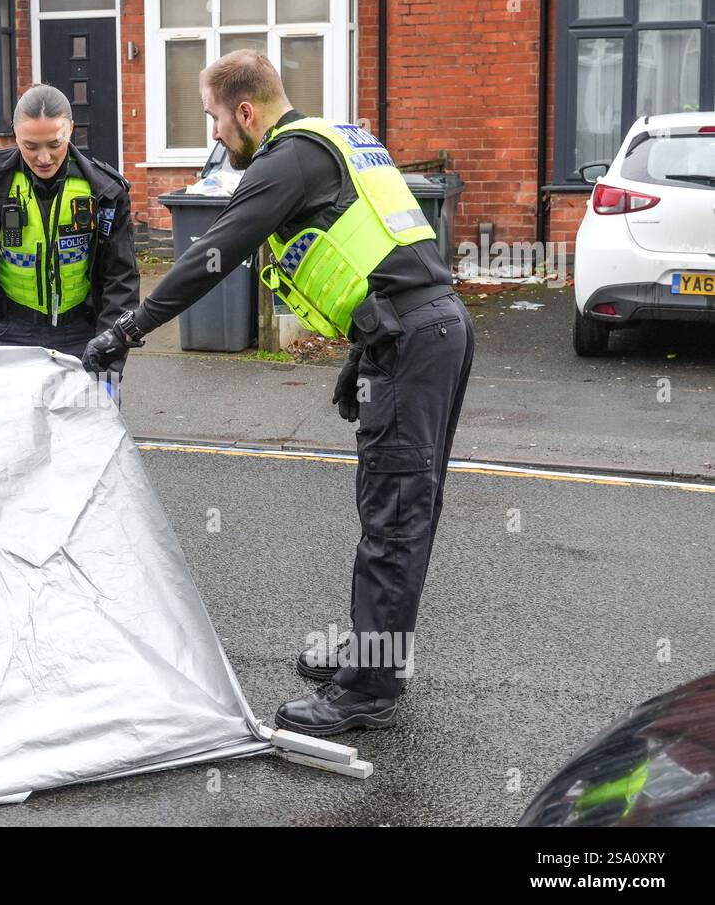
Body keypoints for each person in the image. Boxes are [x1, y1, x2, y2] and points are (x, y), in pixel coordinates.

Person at [83, 49, 474, 736]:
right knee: (393, 506)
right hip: (416, 330)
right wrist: (365, 349)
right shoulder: (332, 142)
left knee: (394, 515)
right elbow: (384, 252)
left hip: (413, 341)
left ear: (244, 111)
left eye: (212, 118)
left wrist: (130, 326)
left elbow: (214, 252)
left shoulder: (286, 159)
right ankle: (373, 654)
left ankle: (368, 690)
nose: (211, 134)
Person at [0, 84, 140, 391]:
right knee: (12, 436)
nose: (44, 157)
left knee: (84, 435)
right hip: (10, 335)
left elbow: (121, 280)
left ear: (70, 130)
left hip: (84, 338)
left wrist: (110, 360)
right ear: (15, 135)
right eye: (30, 146)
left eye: (54, 143)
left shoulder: (105, 191)